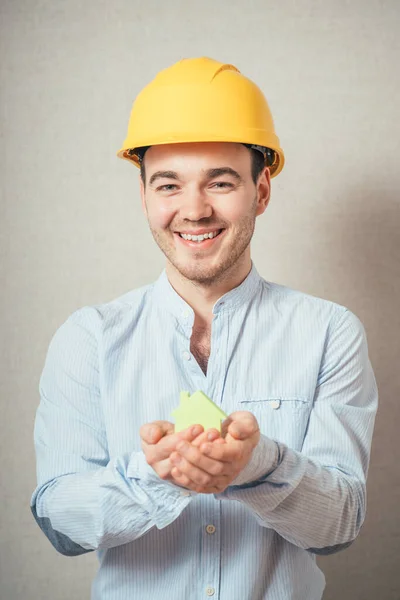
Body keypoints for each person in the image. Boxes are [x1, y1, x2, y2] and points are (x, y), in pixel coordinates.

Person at [31, 57, 378, 600]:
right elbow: (59, 523)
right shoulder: (89, 338)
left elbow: (339, 525)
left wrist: (259, 465)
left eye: (219, 182)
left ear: (261, 190)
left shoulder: (330, 333)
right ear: (144, 195)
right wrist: (153, 476)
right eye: (169, 185)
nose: (194, 210)